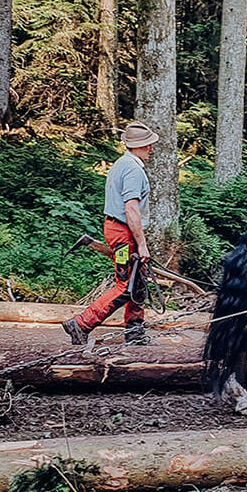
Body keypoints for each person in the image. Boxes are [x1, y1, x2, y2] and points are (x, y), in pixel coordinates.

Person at [63, 121, 158, 346]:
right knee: (125, 285)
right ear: (139, 146)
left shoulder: (122, 164)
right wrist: (142, 244)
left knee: (138, 281)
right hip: (123, 234)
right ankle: (81, 323)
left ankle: (135, 332)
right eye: (148, 145)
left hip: (120, 230)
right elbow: (131, 209)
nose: (150, 149)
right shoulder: (133, 170)